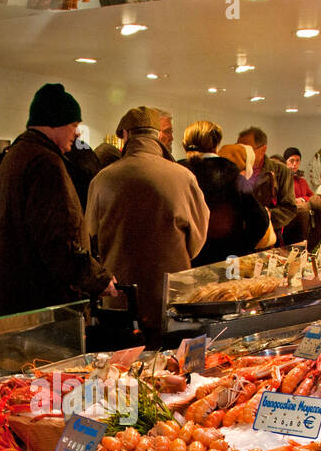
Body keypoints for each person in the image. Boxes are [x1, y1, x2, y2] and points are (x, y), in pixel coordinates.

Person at [0, 83, 115, 319]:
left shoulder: (16, 156)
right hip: (39, 309)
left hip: (11, 306)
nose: (77, 133)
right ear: (55, 122)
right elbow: (57, 242)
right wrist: (98, 279)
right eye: (74, 125)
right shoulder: (45, 163)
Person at [85, 107, 209, 345]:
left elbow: (90, 237)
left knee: (122, 374)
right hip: (171, 296)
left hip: (120, 300)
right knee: (171, 371)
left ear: (125, 135)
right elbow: (198, 238)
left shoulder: (102, 180)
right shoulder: (182, 177)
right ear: (158, 136)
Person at [179, 123, 269, 265]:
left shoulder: (177, 172)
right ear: (216, 143)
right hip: (225, 259)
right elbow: (260, 219)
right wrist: (240, 249)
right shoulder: (232, 174)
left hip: (186, 260)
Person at [236, 126, 297, 241]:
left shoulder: (280, 171)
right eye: (239, 148)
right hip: (239, 239)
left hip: (269, 239)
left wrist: (262, 217)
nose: (242, 153)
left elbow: (289, 209)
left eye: (247, 149)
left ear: (263, 149)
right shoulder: (234, 170)